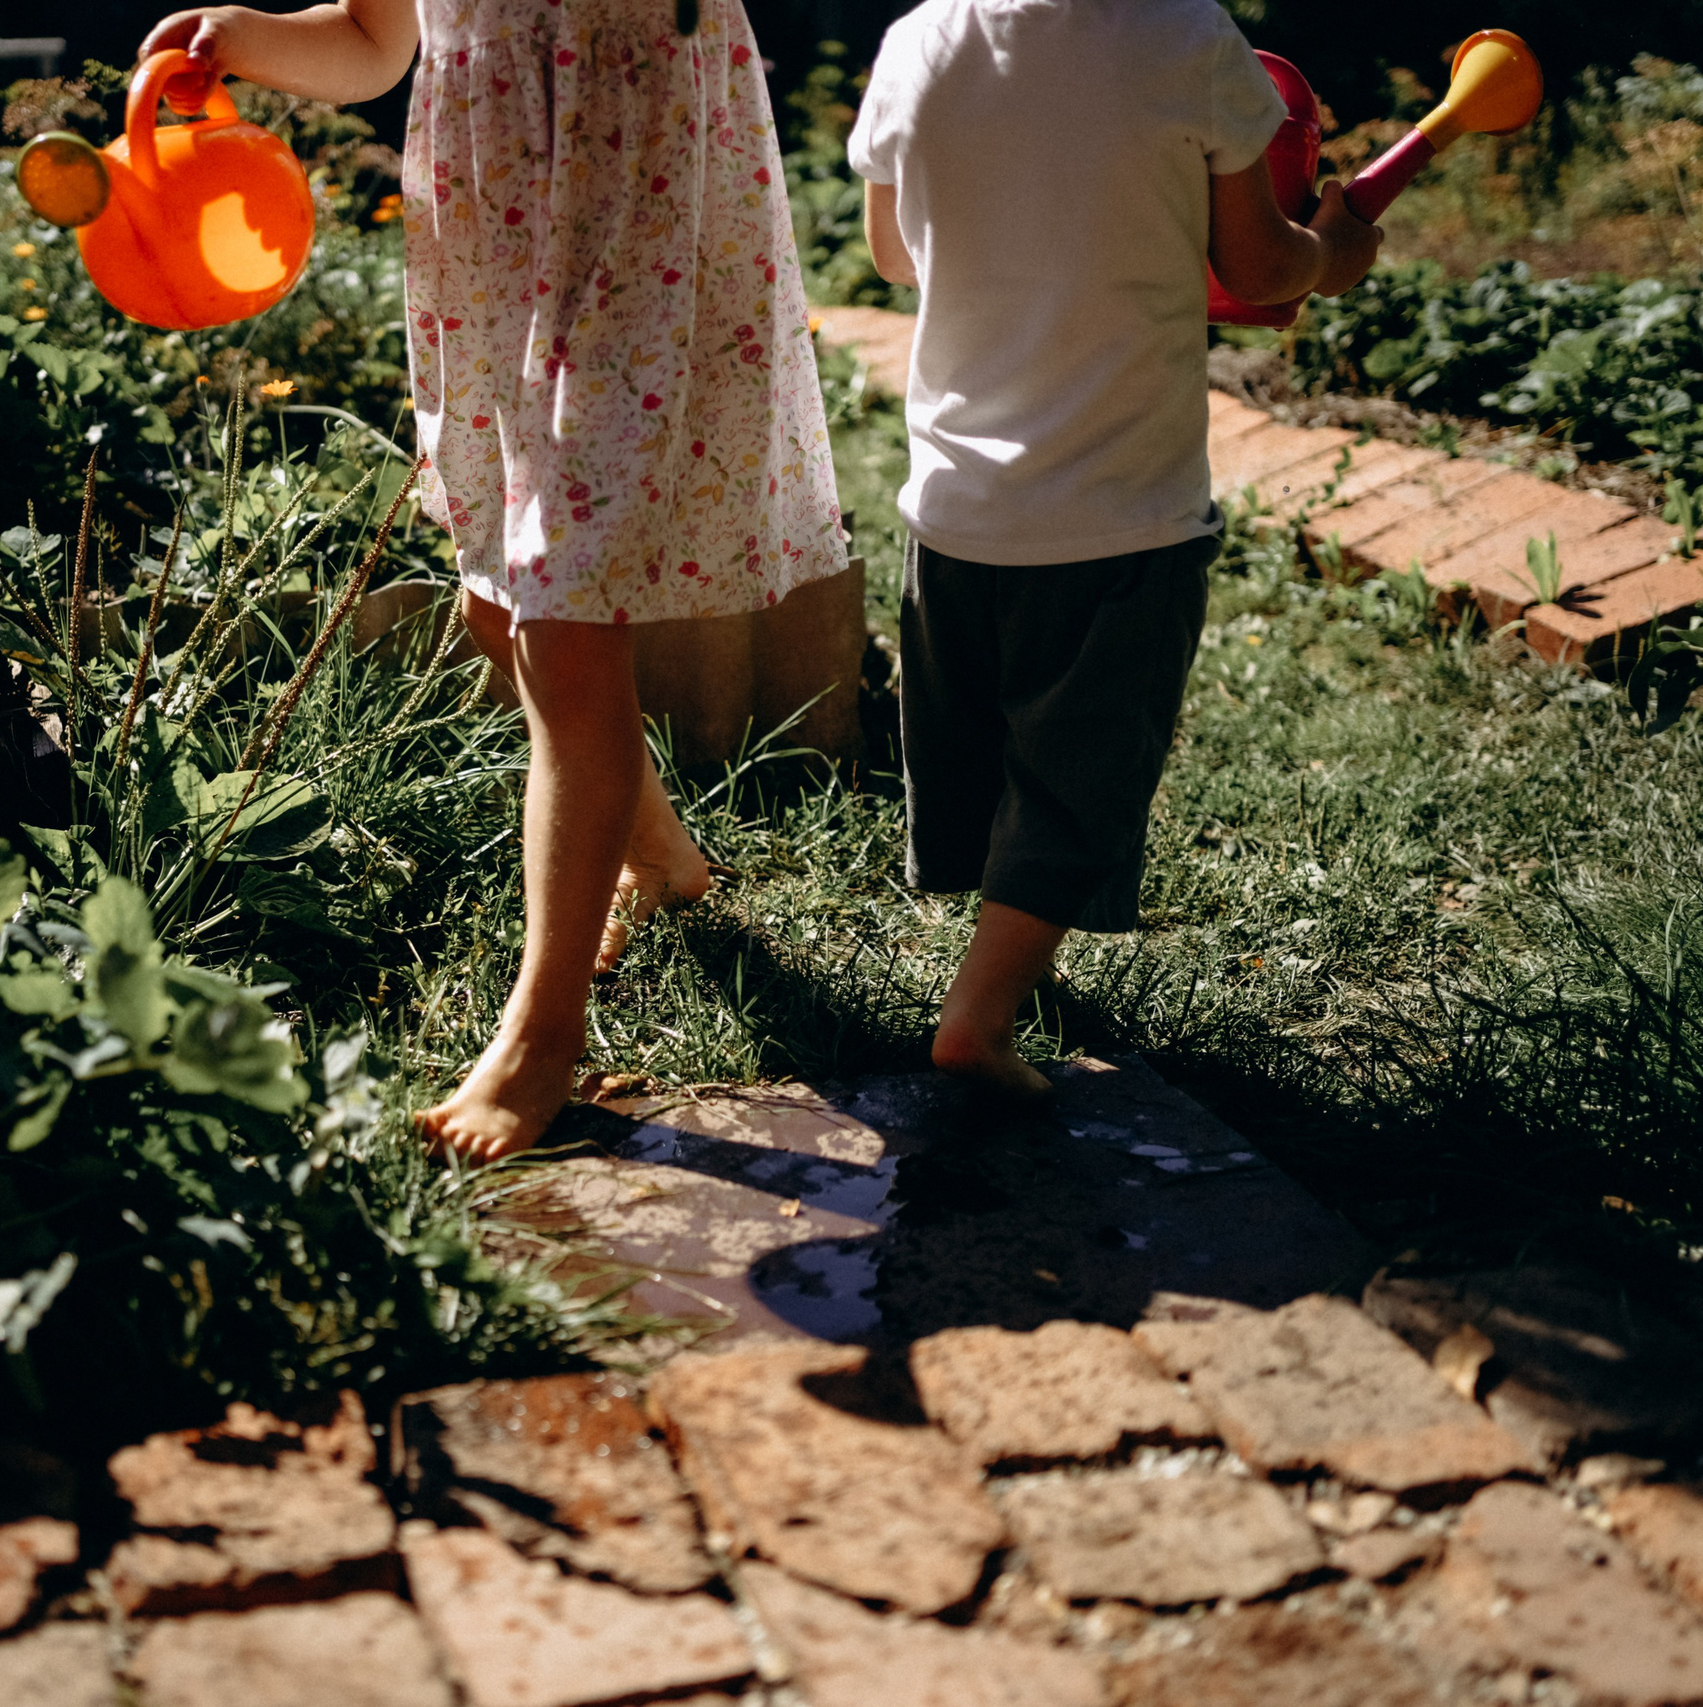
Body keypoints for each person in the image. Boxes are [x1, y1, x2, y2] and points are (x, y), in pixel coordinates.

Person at [138, 0, 846, 1156]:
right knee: (495, 606)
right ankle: (662, 861)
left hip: (638, 226)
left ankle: (541, 1038)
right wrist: (250, 40)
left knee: (561, 632)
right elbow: (375, 40)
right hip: (497, 243)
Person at [850, 0, 1380, 1097]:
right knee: (1077, 770)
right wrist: (1329, 252)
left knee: (985, 744)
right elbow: (1254, 269)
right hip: (1118, 508)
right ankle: (979, 1022)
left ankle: (1004, 953)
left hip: (954, 504)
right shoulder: (1185, 41)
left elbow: (892, 255)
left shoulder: (918, 40)